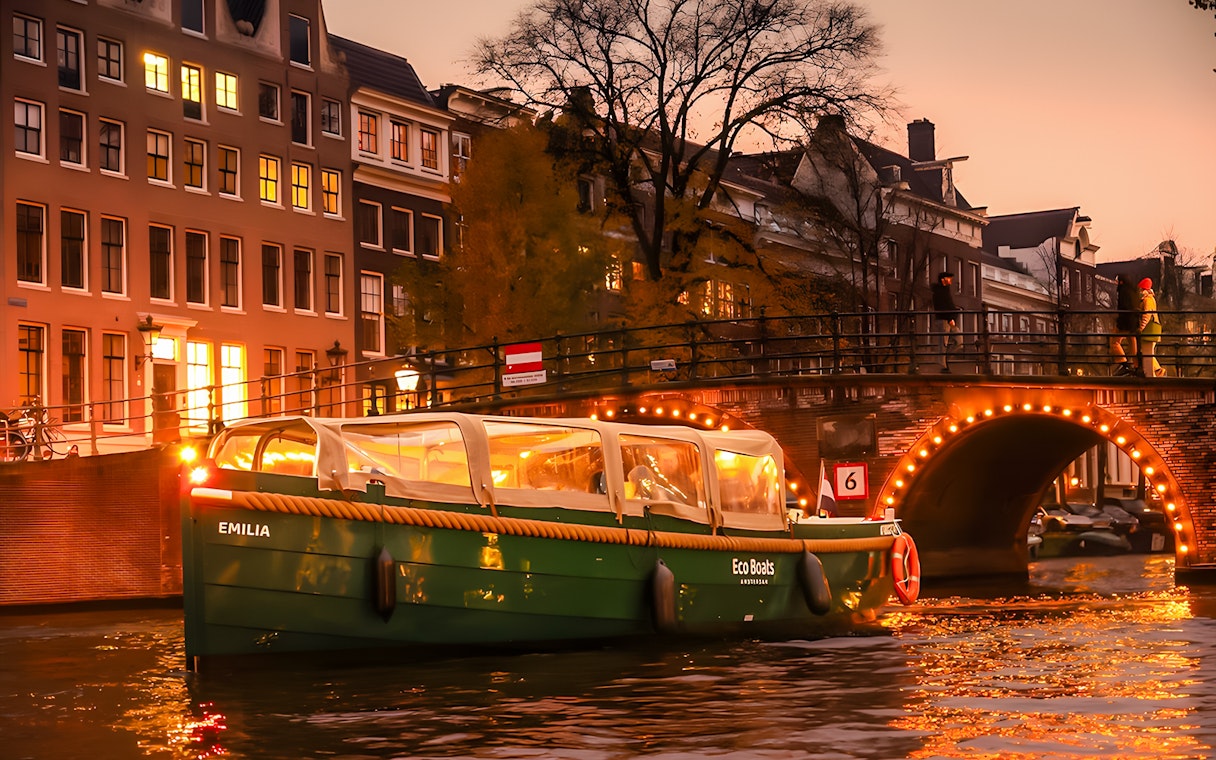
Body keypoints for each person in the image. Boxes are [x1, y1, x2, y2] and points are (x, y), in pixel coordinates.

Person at [931, 271, 963, 371]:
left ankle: (946, 360)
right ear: (943, 279)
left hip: (949, 319)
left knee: (959, 340)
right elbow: (942, 306)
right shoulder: (939, 292)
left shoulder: (945, 290)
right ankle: (943, 366)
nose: (951, 281)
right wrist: (951, 317)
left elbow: (948, 305)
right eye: (949, 278)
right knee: (943, 344)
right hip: (944, 320)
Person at [1110, 273, 1139, 375]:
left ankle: (1124, 363)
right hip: (1133, 322)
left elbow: (1123, 308)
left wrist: (1119, 322)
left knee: (1114, 342)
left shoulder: (1123, 291)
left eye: (1118, 281)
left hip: (1125, 322)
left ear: (1121, 282)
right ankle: (1137, 366)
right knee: (1133, 344)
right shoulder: (1134, 291)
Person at [1137, 278, 1165, 377]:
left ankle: (1153, 374)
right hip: (1152, 329)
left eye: (1140, 289)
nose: (1139, 292)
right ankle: (1158, 371)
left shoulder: (1147, 300)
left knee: (1147, 352)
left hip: (1149, 329)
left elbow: (1147, 315)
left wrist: (1141, 328)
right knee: (1148, 352)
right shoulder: (1151, 299)